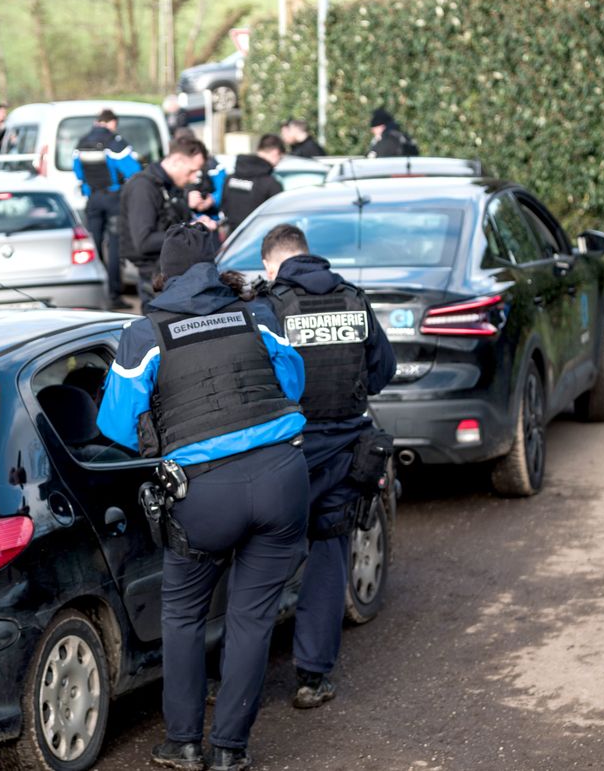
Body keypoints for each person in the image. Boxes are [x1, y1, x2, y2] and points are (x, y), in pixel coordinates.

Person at [96, 224, 309, 771]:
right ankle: (230, 751)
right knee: (251, 619)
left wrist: (166, 431)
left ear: (161, 273)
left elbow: (116, 425)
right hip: (282, 478)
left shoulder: (144, 335)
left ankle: (185, 742)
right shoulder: (256, 314)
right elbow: (291, 385)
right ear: (215, 268)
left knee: (185, 616)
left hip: (203, 493)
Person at [257, 223, 395, 709]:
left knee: (261, 559)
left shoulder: (271, 307)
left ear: (272, 265)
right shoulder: (354, 299)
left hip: (287, 452)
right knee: (328, 555)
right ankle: (313, 678)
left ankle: (236, 674)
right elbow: (382, 371)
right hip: (344, 451)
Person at [121, 135, 217, 303]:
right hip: (155, 280)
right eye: (192, 171)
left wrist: (195, 224)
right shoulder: (144, 187)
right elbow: (144, 242)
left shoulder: (169, 186)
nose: (194, 178)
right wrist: (189, 229)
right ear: (176, 161)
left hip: (172, 276)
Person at [73, 109, 141, 308]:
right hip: (113, 199)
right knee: (114, 247)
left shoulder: (82, 142)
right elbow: (133, 170)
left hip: (92, 198)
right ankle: (114, 295)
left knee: (93, 246)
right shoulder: (115, 142)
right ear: (112, 123)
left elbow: (78, 172)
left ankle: (97, 293)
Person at [220, 133, 286, 233]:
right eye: (280, 158)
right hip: (258, 239)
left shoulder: (230, 178)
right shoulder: (271, 184)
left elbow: (224, 207)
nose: (278, 163)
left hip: (233, 239)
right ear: (275, 152)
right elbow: (279, 217)